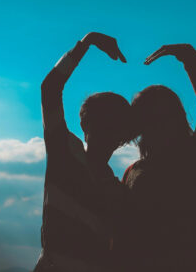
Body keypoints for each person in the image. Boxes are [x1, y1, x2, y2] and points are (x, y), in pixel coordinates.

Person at [122, 44, 196, 271]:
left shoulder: (194, 156)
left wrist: (189, 57)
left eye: (161, 114)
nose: (156, 122)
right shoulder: (133, 172)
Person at [34, 32, 132, 272]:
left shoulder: (117, 189)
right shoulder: (64, 151)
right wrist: (86, 42)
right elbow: (49, 89)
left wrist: (88, 42)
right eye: (102, 124)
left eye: (113, 126)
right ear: (85, 126)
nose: (107, 134)